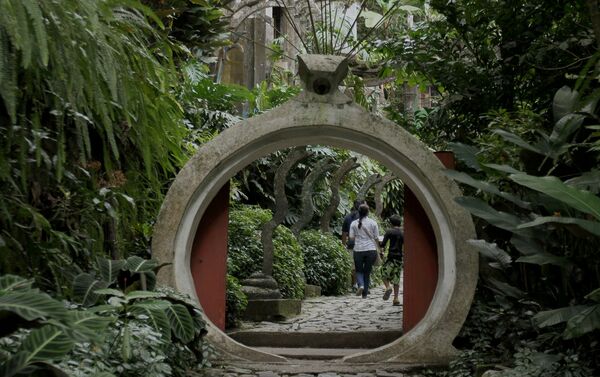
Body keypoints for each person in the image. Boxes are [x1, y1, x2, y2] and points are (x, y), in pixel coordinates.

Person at [349, 203, 379, 298]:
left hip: (358, 250)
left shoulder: (353, 223)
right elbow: (376, 237)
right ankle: (365, 293)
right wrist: (380, 248)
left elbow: (351, 238)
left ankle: (360, 285)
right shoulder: (373, 223)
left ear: (359, 212)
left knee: (359, 270)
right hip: (371, 250)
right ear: (368, 212)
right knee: (367, 271)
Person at [379, 214, 404, 306]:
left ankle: (388, 287)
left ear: (391, 223)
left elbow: (383, 244)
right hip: (399, 258)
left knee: (383, 273)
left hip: (391, 257)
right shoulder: (402, 233)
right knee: (396, 278)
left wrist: (379, 245)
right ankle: (396, 298)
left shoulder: (389, 232)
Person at [341, 199, 365, 289]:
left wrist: (343, 245)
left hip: (351, 244)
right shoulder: (365, 218)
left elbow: (344, 233)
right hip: (363, 244)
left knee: (353, 265)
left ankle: (355, 284)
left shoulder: (348, 217)